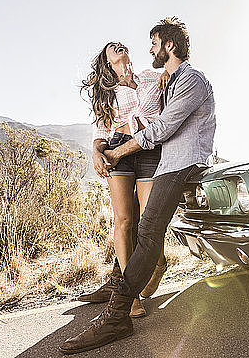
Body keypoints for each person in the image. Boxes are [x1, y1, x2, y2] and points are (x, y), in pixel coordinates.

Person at [60, 17, 216, 354]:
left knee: (147, 233)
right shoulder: (170, 80)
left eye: (155, 44)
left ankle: (117, 314)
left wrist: (118, 150)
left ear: (169, 46)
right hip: (165, 160)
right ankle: (121, 299)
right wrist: (103, 149)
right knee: (137, 227)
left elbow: (159, 129)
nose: (149, 51)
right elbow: (106, 127)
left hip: (176, 161)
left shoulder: (187, 80)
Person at [77, 41, 170, 318]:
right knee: (124, 221)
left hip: (149, 149)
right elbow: (100, 132)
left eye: (120, 44)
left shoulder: (150, 76)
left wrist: (168, 72)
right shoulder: (106, 94)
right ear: (107, 62)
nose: (118, 45)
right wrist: (96, 152)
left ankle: (159, 264)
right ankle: (129, 294)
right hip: (118, 150)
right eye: (111, 47)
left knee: (150, 221)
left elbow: (175, 76)